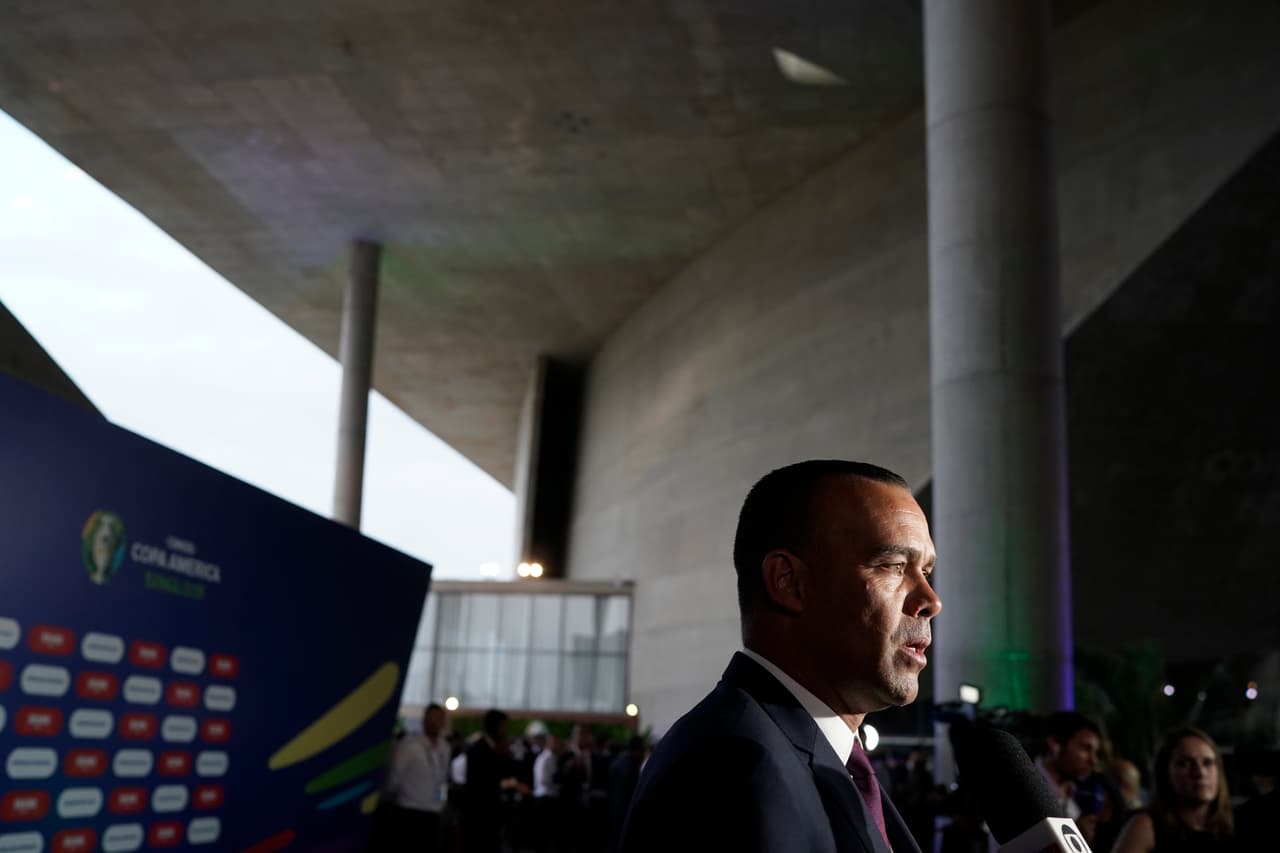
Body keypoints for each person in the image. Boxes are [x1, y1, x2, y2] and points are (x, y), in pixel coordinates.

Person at [620, 460, 940, 853]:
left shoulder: (817, 756)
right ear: (789, 583)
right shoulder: (735, 768)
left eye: (926, 570)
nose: (930, 600)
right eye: (893, 566)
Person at [1110, 727, 1236, 853]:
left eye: (1208, 763)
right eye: (1185, 763)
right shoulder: (1146, 826)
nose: (1200, 773)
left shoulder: (1233, 825)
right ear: (1165, 772)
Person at [383, 703, 452, 851]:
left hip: (434, 813)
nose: (435, 722)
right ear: (424, 720)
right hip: (410, 812)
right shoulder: (409, 746)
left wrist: (441, 801)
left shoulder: (445, 747)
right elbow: (395, 778)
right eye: (432, 718)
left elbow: (443, 779)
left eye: (439, 718)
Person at [1037, 711, 1103, 843]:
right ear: (1055, 745)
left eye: (1095, 752)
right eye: (1085, 749)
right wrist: (1070, 837)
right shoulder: (1021, 787)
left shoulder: (1074, 793)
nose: (1093, 760)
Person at [461, 709, 510, 853]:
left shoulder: (490, 748)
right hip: (480, 817)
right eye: (503, 726)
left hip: (487, 816)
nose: (505, 730)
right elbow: (486, 784)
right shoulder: (480, 749)